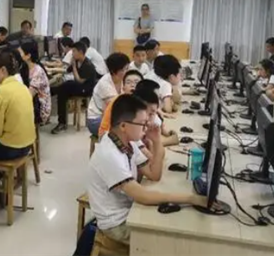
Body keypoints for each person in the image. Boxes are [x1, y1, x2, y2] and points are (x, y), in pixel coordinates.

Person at [88, 95, 206, 245]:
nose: (147, 126)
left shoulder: (128, 142)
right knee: (173, 238)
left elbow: (154, 174)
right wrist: (191, 198)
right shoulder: (109, 154)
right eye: (143, 123)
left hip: (129, 208)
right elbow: (143, 196)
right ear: (123, 126)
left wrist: (156, 141)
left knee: (177, 224)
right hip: (116, 224)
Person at [0, 51, 36, 160]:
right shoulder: (22, 87)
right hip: (28, 144)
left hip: (11, 148)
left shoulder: (1, 92)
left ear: (3, 70)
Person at [51, 41, 98, 134]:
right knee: (62, 92)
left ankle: (49, 92)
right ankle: (62, 123)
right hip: (78, 86)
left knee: (66, 86)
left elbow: (79, 80)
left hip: (86, 89)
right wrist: (53, 69)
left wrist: (74, 66)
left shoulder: (88, 65)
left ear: (80, 52)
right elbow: (67, 70)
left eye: (74, 51)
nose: (72, 53)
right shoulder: (76, 60)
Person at [87, 53, 131, 136]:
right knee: (126, 129)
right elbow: (115, 107)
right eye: (124, 69)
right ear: (114, 71)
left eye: (128, 68)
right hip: (96, 120)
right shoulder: (104, 83)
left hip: (114, 117)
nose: (128, 72)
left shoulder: (123, 80)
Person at [98, 71, 144, 138]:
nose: (132, 85)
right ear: (123, 88)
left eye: (136, 82)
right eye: (128, 82)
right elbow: (106, 128)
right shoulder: (117, 102)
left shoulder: (145, 102)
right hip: (110, 136)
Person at [18, 42, 51, 125]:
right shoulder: (24, 67)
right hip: (34, 102)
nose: (19, 55)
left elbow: (29, 95)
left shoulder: (37, 72)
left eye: (21, 52)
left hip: (40, 108)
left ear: (28, 56)